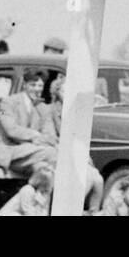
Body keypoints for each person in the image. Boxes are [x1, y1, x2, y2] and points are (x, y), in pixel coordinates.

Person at [37, 72, 104, 212]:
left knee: (97, 179)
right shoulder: (49, 110)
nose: (67, 94)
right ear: (57, 92)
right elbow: (49, 136)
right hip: (58, 156)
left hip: (78, 156)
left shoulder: (77, 113)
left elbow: (81, 140)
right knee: (84, 180)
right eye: (63, 90)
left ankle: (93, 212)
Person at [0, 70, 57, 176]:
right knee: (53, 153)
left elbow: (51, 135)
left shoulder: (43, 108)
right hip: (12, 154)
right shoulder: (6, 103)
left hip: (35, 154)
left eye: (40, 86)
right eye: (33, 85)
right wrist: (35, 135)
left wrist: (39, 140)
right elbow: (11, 130)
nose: (37, 89)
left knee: (43, 168)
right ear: (24, 85)